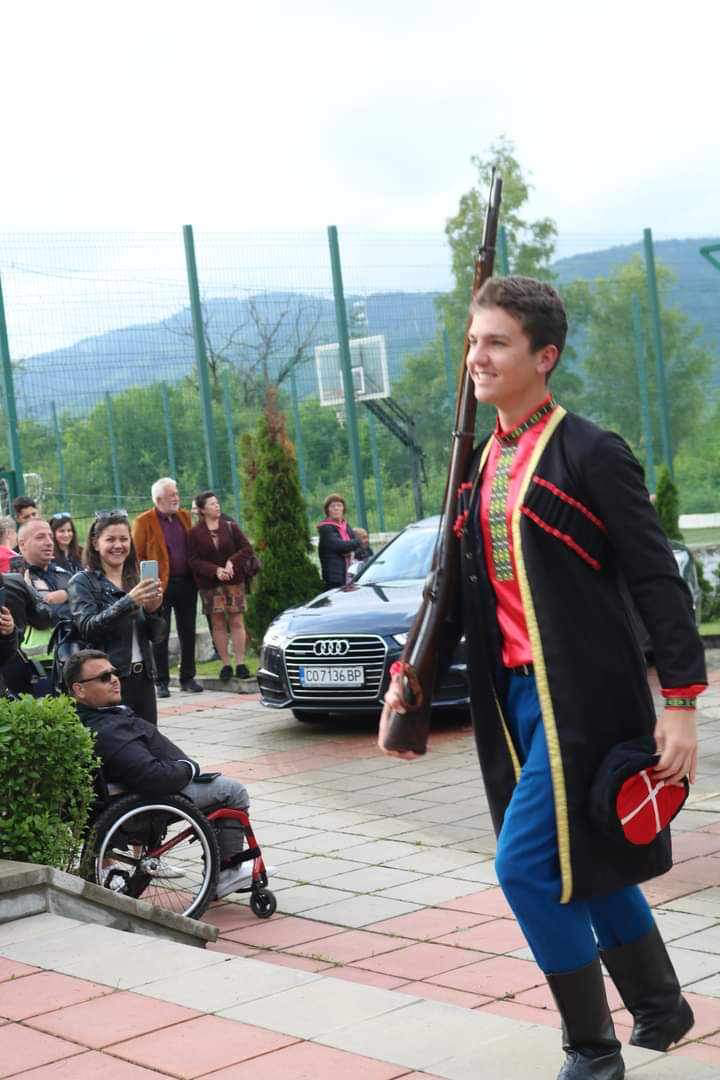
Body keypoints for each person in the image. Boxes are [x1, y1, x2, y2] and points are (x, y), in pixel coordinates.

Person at [379, 276, 706, 1080]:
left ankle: (592, 1052)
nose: (477, 357)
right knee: (584, 853)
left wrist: (682, 702)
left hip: (586, 699)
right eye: (472, 341)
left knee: (525, 868)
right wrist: (409, 677)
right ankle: (661, 1004)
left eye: (496, 342)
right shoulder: (478, 460)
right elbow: (458, 588)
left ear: (545, 356)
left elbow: (656, 579)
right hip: (511, 701)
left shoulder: (591, 452)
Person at [65, 649, 265, 898]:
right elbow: (151, 777)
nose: (115, 679)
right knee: (232, 791)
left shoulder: (98, 716)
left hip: (142, 791)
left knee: (218, 789)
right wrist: (188, 768)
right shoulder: (107, 730)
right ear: (79, 690)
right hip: (148, 799)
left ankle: (222, 865)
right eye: (104, 677)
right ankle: (226, 872)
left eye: (115, 673)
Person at [68, 511, 165, 726]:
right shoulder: (82, 582)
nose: (118, 545)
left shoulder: (136, 580)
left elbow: (157, 636)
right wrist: (128, 602)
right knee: (119, 740)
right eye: (110, 539)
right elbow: (88, 628)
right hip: (107, 678)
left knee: (148, 738)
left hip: (144, 677)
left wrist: (153, 610)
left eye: (123, 539)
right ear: (95, 543)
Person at [132, 478, 203, 698]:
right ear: (158, 499)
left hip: (187, 582)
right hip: (160, 586)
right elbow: (137, 555)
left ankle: (187, 678)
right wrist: (146, 584)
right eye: (172, 495)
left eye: (177, 493)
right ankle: (160, 681)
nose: (176, 498)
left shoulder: (184, 516)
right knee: (160, 633)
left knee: (188, 630)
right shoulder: (144, 521)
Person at [188, 492, 256, 681]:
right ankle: (225, 664)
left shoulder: (230, 526)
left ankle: (241, 663)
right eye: (212, 504)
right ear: (202, 510)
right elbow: (193, 560)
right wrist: (215, 570)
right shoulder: (194, 533)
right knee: (217, 623)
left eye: (217, 503)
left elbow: (247, 549)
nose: (217, 506)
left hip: (233, 582)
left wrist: (231, 562)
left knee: (237, 621)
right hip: (210, 584)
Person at [16, 519, 72, 624]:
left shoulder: (64, 574)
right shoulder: (15, 579)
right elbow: (39, 619)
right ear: (22, 544)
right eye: (40, 537)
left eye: (51, 537)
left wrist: (68, 594)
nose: (49, 543)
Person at [317, 493, 359, 588]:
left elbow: (356, 546)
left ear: (343, 508)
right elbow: (340, 546)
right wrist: (356, 543)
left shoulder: (346, 525)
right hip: (335, 577)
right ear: (327, 510)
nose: (336, 508)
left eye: (339, 505)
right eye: (332, 506)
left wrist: (353, 545)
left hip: (349, 573)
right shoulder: (325, 528)